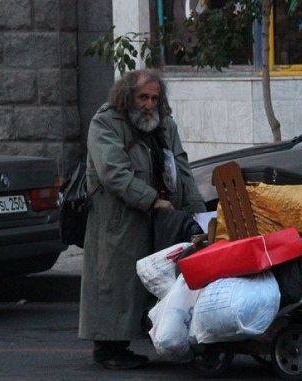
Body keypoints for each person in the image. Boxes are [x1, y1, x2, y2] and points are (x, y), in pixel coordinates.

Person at [78, 69, 205, 370]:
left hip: (159, 216)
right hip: (119, 219)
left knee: (154, 279)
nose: (149, 104)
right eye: (143, 97)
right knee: (116, 282)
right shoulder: (106, 123)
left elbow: (182, 167)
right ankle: (109, 348)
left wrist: (197, 210)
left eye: (154, 98)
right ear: (128, 97)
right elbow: (114, 173)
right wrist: (151, 199)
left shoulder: (165, 126)